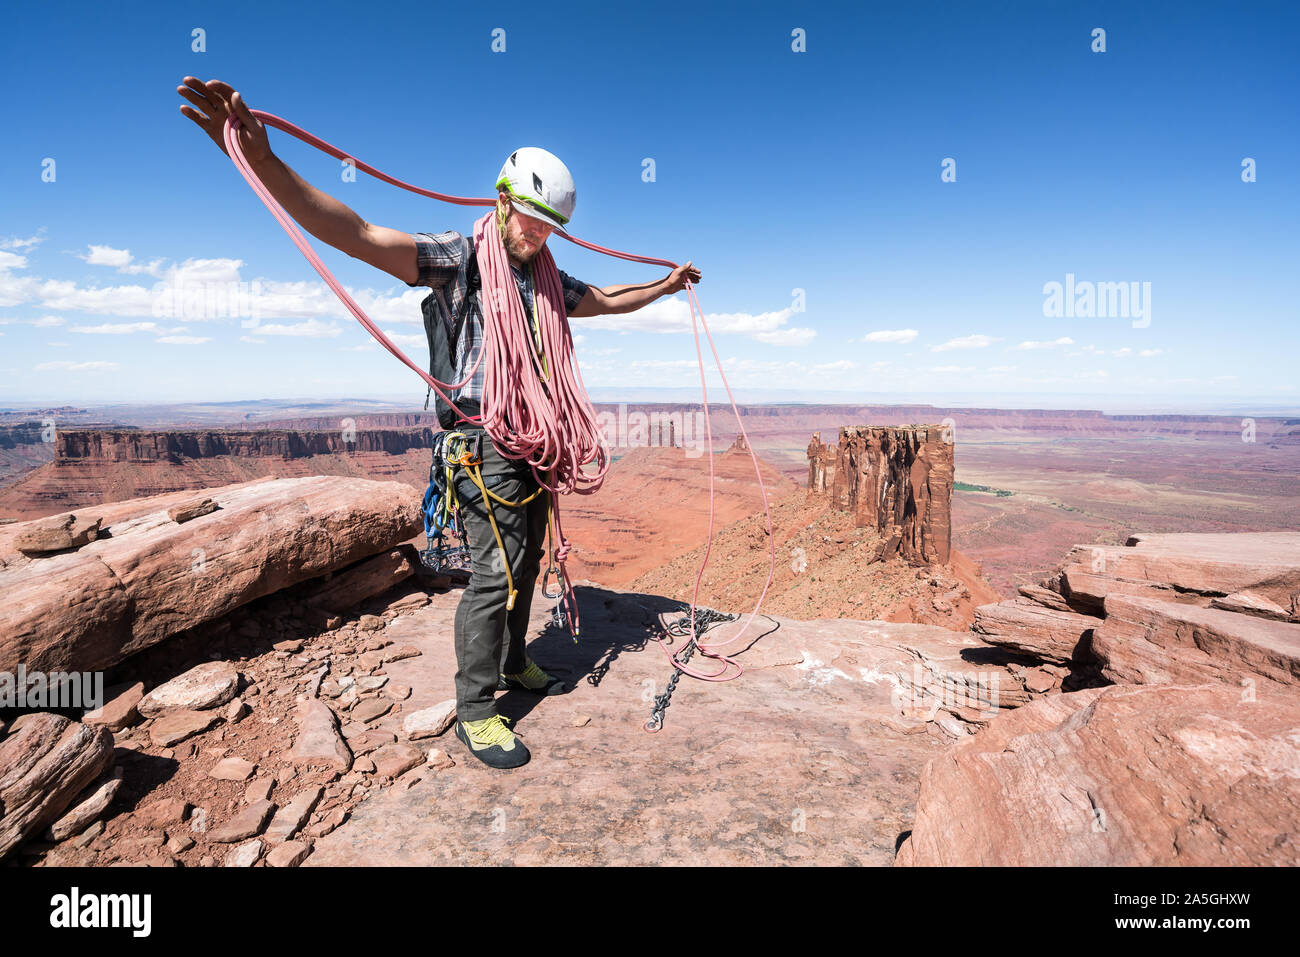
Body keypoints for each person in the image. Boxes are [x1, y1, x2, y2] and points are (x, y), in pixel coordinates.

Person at [178, 77, 702, 769]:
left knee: (527, 558)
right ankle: (477, 708)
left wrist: (665, 286)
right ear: (503, 199)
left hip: (534, 442)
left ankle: (514, 660)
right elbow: (359, 232)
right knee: (497, 573)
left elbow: (601, 299)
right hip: (483, 442)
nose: (537, 234)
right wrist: (264, 162)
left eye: (550, 227)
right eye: (530, 219)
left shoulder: (544, 274)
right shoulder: (458, 260)